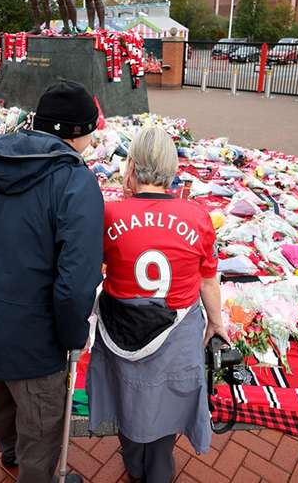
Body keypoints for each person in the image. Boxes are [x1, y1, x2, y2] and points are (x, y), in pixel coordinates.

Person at [0, 80, 103, 483]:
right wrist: (73, 336)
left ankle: (9, 453)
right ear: (78, 133)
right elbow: (77, 281)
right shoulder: (75, 182)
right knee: (42, 426)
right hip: (36, 335)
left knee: (1, 398)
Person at [87, 126, 225, 483]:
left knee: (128, 401)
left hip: (122, 329)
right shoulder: (197, 216)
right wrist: (216, 323)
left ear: (131, 165)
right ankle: (158, 468)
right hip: (176, 331)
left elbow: (92, 268)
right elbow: (208, 279)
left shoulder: (110, 214)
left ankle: (134, 463)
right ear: (172, 166)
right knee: (164, 407)